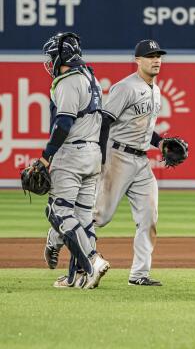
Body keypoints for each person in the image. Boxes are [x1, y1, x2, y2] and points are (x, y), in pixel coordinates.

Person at [45, 39, 168, 286]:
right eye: (150, 55)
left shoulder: (155, 90)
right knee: (97, 216)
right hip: (118, 157)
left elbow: (142, 128)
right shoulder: (125, 88)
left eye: (158, 55)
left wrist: (161, 144)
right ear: (138, 60)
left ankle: (139, 274)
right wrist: (102, 158)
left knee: (149, 217)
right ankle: (62, 243)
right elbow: (105, 121)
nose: (156, 60)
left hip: (142, 161)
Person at [40, 31, 110, 289]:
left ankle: (93, 261)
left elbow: (63, 123)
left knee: (58, 211)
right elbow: (103, 124)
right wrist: (100, 156)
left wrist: (46, 157)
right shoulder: (92, 78)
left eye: (52, 55)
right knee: (82, 219)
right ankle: (76, 276)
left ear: (62, 55)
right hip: (92, 153)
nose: (50, 61)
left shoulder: (68, 81)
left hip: (71, 153)